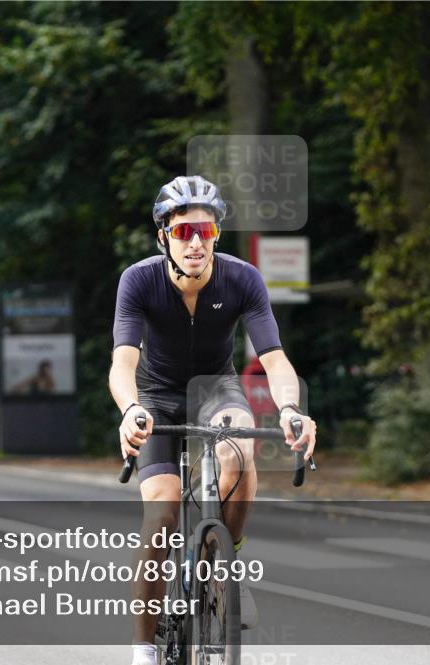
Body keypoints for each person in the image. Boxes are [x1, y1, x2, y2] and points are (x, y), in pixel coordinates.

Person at [109, 175, 317, 665]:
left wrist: (291, 409)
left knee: (239, 453)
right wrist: (130, 409)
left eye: (206, 231)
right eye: (184, 232)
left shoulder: (242, 279)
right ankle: (143, 649)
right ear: (164, 236)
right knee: (160, 518)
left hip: (215, 389)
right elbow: (122, 362)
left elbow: (274, 359)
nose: (196, 243)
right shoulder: (138, 280)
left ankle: (225, 564)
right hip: (156, 398)